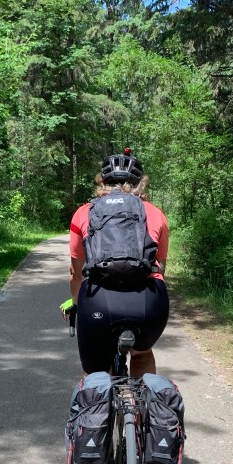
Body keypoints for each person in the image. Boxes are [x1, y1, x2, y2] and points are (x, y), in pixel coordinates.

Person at [66, 150, 170, 378]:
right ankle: (145, 400)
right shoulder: (156, 214)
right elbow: (161, 267)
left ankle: (97, 396)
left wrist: (76, 304)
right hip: (149, 302)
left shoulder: (84, 212)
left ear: (102, 182)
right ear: (140, 184)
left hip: (98, 301)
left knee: (95, 373)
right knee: (142, 353)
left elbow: (76, 272)